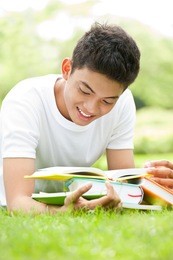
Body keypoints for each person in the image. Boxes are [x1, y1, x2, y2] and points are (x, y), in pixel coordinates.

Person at [0, 22, 140, 214]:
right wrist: (62, 212)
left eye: (107, 101)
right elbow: (17, 202)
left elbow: (125, 186)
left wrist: (123, 196)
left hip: (73, 196)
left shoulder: (123, 103)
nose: (91, 108)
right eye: (84, 90)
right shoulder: (25, 100)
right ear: (67, 69)